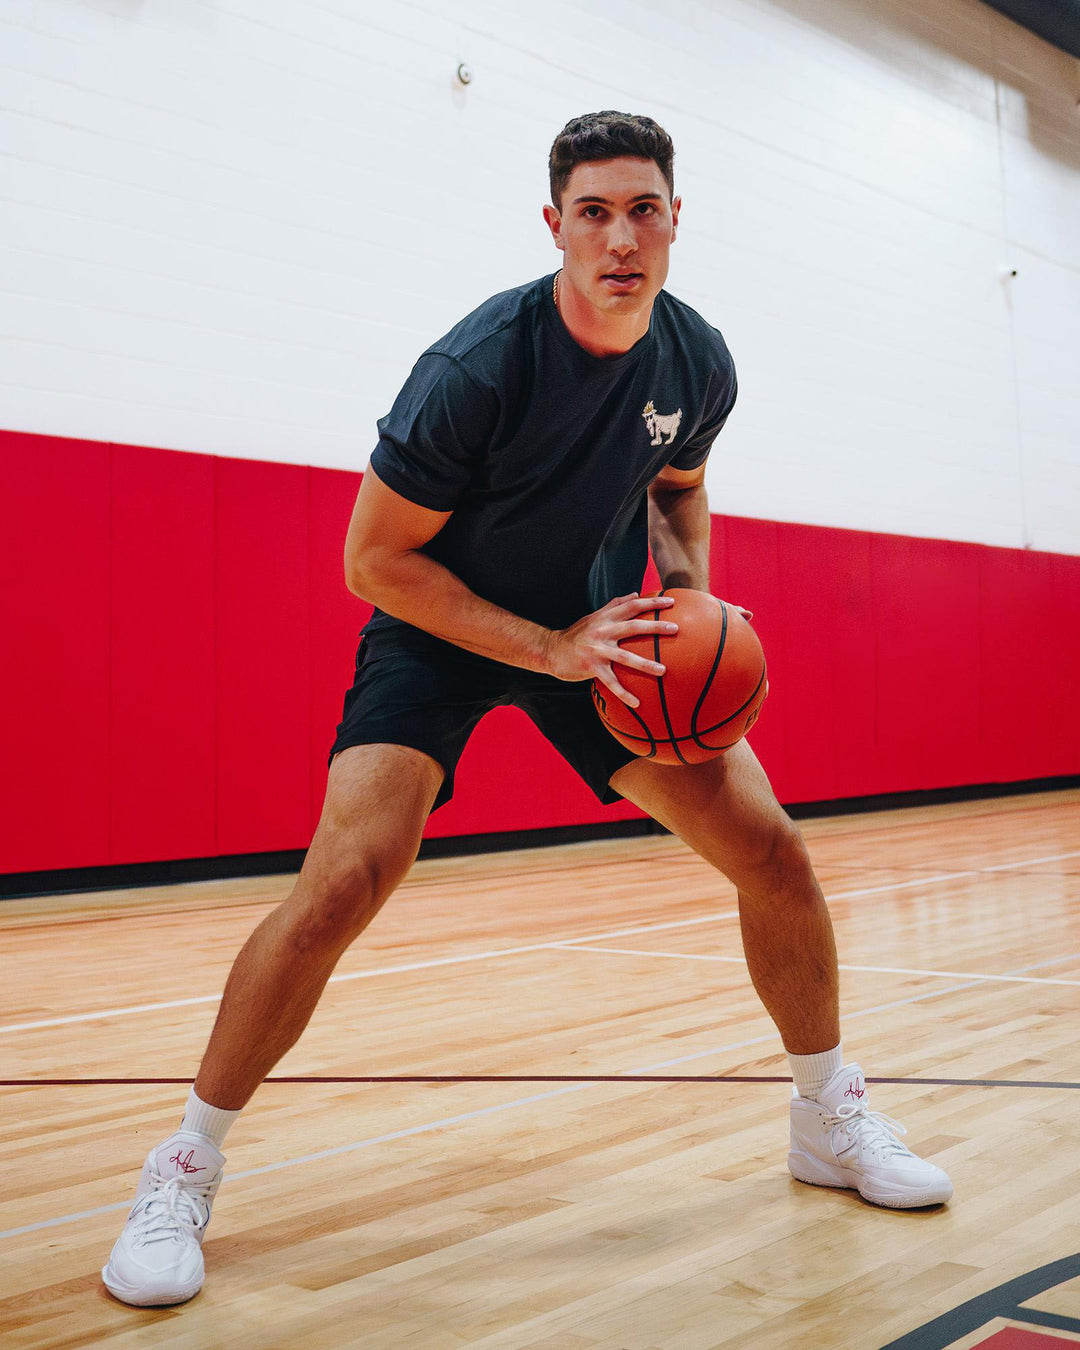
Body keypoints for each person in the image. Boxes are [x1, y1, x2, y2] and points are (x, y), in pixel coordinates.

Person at [102, 110, 952, 1308]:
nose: (621, 236)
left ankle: (828, 1115)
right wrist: (545, 648)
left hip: (599, 629)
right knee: (346, 878)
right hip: (443, 624)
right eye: (594, 212)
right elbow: (373, 564)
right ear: (554, 225)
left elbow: (679, 490)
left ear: (674, 222)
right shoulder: (477, 368)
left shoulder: (697, 361)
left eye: (643, 209)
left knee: (773, 853)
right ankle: (184, 1162)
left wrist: (692, 602)